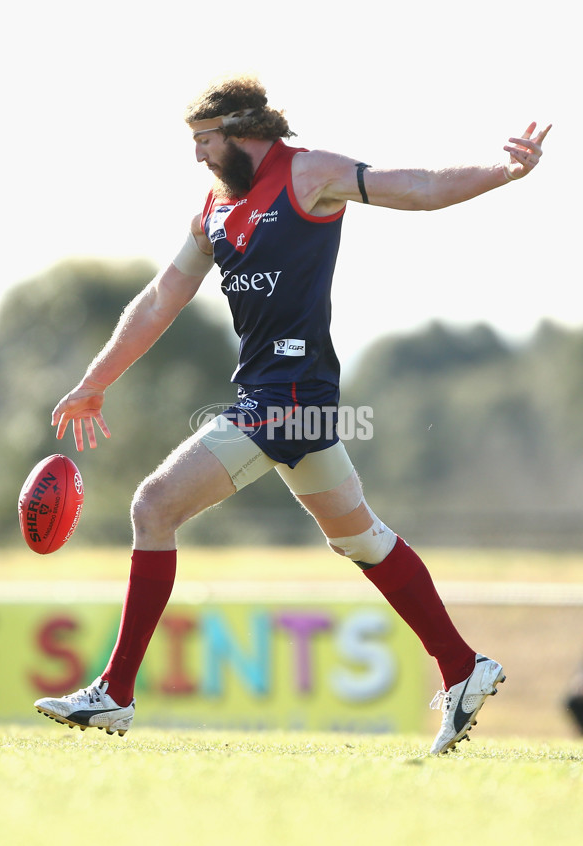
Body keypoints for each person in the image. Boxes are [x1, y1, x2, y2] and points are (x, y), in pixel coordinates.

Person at [34, 75, 550, 754]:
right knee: (361, 539)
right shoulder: (213, 211)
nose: (198, 156)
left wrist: (504, 171)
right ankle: (463, 666)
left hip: (286, 401)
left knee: (153, 506)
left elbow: (419, 188)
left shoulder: (310, 174)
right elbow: (161, 299)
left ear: (244, 131)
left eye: (205, 141)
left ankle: (116, 693)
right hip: (281, 402)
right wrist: (94, 381)